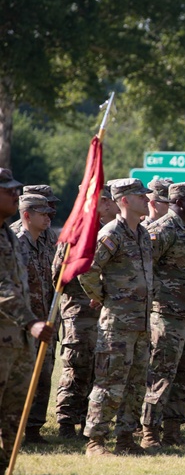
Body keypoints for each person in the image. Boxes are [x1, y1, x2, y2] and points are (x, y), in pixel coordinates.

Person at [78, 178, 154, 456]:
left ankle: (125, 438)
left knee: (135, 385)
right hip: (118, 323)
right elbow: (87, 269)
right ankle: (95, 441)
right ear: (124, 201)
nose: (147, 200)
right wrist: (101, 296)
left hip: (142, 323)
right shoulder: (112, 233)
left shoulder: (142, 234)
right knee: (110, 382)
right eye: (140, 196)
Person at [141, 182, 185, 449]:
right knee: (161, 376)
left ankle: (172, 431)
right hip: (167, 316)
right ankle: (149, 433)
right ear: (179, 202)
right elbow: (146, 268)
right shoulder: (162, 230)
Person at [0, 169, 54, 475]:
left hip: (17, 338)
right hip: (17, 329)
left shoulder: (6, 234)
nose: (13, 194)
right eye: (6, 190)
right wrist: (30, 321)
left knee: (13, 412)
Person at [53, 184, 117, 439]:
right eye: (108, 200)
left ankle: (88, 423)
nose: (112, 204)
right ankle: (67, 423)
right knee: (76, 365)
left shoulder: (108, 231)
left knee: (98, 366)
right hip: (78, 310)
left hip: (101, 310)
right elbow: (58, 275)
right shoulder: (78, 231)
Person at [15, 194, 57, 444]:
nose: (48, 216)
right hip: (24, 323)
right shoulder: (17, 243)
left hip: (45, 321)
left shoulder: (44, 242)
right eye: (42, 213)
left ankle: (34, 429)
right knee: (22, 378)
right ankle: (16, 428)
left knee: (44, 375)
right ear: (27, 215)